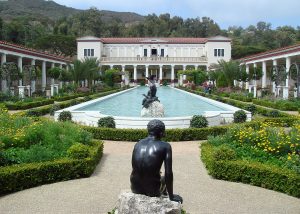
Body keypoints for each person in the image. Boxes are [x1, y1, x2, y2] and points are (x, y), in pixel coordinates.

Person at [130, 120, 183, 203]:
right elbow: (168, 173)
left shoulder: (138, 143)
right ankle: (165, 193)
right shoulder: (165, 146)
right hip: (153, 191)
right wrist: (172, 196)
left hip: (135, 188)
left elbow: (136, 166)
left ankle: (164, 192)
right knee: (164, 178)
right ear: (162, 133)